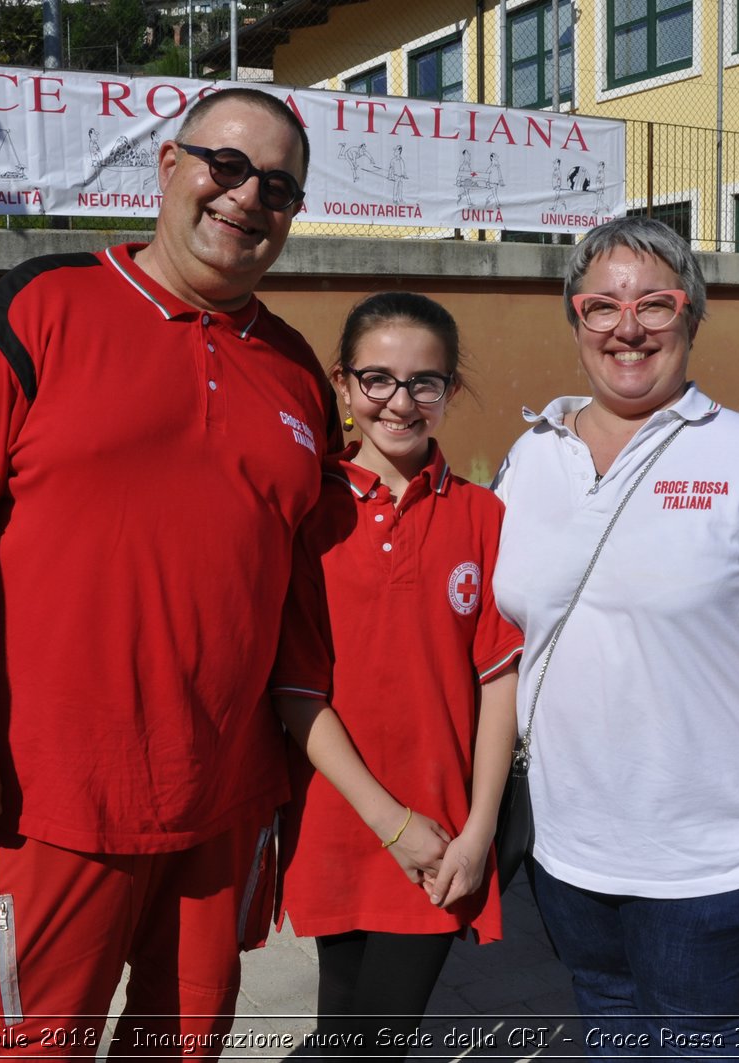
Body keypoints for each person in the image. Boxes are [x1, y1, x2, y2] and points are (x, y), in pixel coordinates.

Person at [0, 88, 337, 1059]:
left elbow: (302, 587)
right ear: (168, 167)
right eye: (227, 165)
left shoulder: (296, 371)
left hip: (224, 798)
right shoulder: (41, 307)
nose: (248, 197)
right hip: (51, 801)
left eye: (280, 187)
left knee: (183, 1047)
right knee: (29, 1049)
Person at [491, 216, 739, 1058]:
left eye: (655, 304)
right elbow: (506, 632)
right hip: (568, 847)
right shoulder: (531, 455)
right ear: (576, 319)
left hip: (705, 856)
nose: (629, 328)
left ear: (692, 316)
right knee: (609, 1027)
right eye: (602, 307)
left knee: (697, 1041)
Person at [270, 292, 523, 1056]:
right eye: (377, 379)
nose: (400, 401)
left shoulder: (486, 516)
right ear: (342, 386)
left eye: (425, 382)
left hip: (444, 835)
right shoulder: (308, 512)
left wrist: (478, 831)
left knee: (377, 1036)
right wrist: (391, 824)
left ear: (450, 390)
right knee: (342, 1026)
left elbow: (497, 683)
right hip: (338, 821)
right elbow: (297, 691)